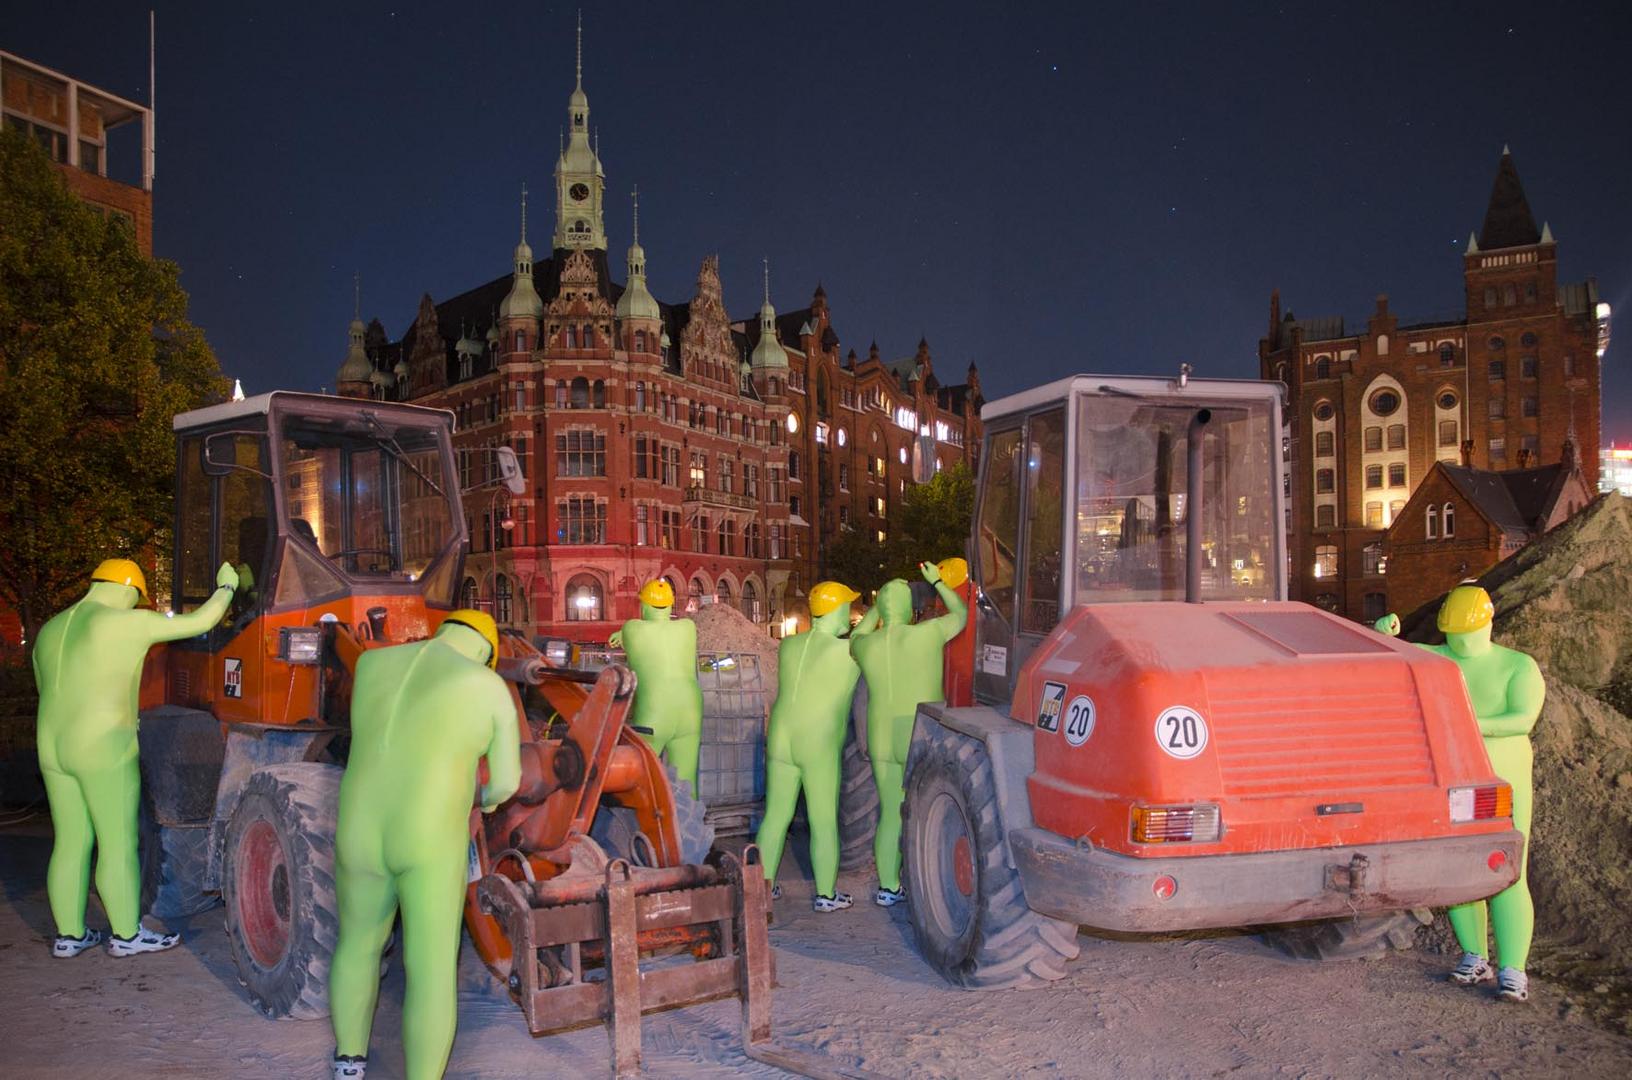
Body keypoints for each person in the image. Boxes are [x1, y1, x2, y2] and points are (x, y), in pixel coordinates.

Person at [328, 610, 521, 1080]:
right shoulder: (487, 685)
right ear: (487, 653)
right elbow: (506, 783)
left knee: (356, 945)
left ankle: (349, 1062)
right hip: (428, 837)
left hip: (357, 829)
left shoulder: (372, 665)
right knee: (431, 970)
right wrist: (481, 801)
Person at [33, 557, 239, 958]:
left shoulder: (50, 629)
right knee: (117, 842)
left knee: (71, 840)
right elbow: (200, 621)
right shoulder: (124, 622)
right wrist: (226, 587)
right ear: (129, 591)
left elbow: (46, 688)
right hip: (103, 746)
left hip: (51, 746)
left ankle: (70, 936)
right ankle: (127, 935)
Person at [1376, 584, 1544, 1003]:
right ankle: (1475, 956)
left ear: (1488, 624)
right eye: (1454, 635)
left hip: (1504, 780)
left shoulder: (1518, 667)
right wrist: (1382, 633)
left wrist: (1460, 718)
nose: (1461, 643)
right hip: (1455, 779)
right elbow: (1395, 656)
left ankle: (1513, 968)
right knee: (1461, 873)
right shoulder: (1441, 658)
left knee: (1508, 872)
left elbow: (1521, 719)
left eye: (1467, 635)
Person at [849, 560, 967, 906]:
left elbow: (856, 635)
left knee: (890, 813)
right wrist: (938, 583)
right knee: (926, 813)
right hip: (919, 734)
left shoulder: (866, 646)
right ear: (911, 607)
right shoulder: (926, 634)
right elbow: (960, 614)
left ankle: (889, 888)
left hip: (881, 735)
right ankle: (926, 885)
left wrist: (876, 611)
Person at [756, 581, 863, 912]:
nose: (852, 611)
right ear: (836, 610)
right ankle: (826, 895)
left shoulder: (789, 646)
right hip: (816, 744)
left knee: (775, 816)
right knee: (822, 821)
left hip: (780, 739)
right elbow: (867, 639)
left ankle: (760, 890)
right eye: (847, 606)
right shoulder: (849, 651)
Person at [608, 579, 703, 793]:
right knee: (686, 783)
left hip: (654, 711)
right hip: (690, 710)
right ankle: (687, 824)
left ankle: (642, 823)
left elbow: (632, 645)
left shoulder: (632, 628)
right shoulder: (688, 627)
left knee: (639, 779)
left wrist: (620, 635)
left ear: (644, 606)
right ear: (670, 606)